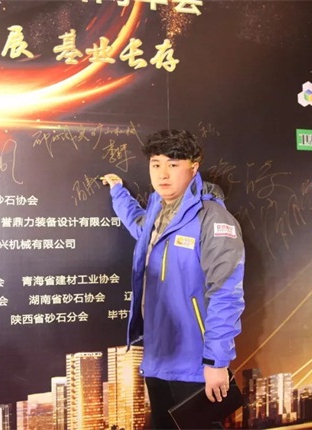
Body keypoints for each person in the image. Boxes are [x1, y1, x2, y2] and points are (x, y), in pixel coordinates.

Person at [102, 129, 245, 429]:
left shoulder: (212, 218)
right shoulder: (158, 211)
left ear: (193, 167)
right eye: (156, 164)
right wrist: (118, 192)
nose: (163, 174)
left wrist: (216, 362)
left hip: (195, 363)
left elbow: (226, 294)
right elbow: (139, 226)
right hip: (158, 357)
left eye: (173, 164)